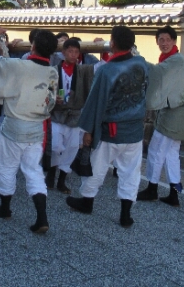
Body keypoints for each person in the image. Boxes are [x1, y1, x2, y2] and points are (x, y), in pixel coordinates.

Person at [66, 25, 148, 228]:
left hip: (111, 130)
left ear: (112, 43)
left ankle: (87, 201)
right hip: (135, 129)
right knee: (131, 172)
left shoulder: (107, 70)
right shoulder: (142, 64)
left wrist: (88, 130)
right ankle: (126, 214)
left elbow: (95, 102)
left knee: (97, 167)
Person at [0, 27, 58, 234]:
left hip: (14, 126)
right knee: (33, 171)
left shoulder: (20, 66)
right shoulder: (53, 71)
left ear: (33, 46)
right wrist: (5, 49)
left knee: (6, 166)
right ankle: (42, 217)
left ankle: (5, 207)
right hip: (37, 128)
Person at [137, 26, 184, 207]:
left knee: (156, 149)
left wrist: (138, 59)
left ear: (174, 41)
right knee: (171, 153)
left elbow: (157, 73)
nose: (164, 43)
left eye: (168, 39)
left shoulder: (176, 60)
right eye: (161, 39)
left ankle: (152, 188)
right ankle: (174, 193)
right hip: (177, 110)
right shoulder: (172, 59)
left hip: (173, 112)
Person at [44, 38, 95, 194]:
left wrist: (105, 51)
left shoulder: (83, 71)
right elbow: (46, 92)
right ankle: (51, 172)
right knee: (55, 146)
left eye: (76, 52)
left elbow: (101, 66)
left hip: (75, 115)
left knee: (72, 148)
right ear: (63, 52)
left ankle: (62, 179)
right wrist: (54, 98)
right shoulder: (53, 70)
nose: (73, 54)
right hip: (57, 114)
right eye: (70, 51)